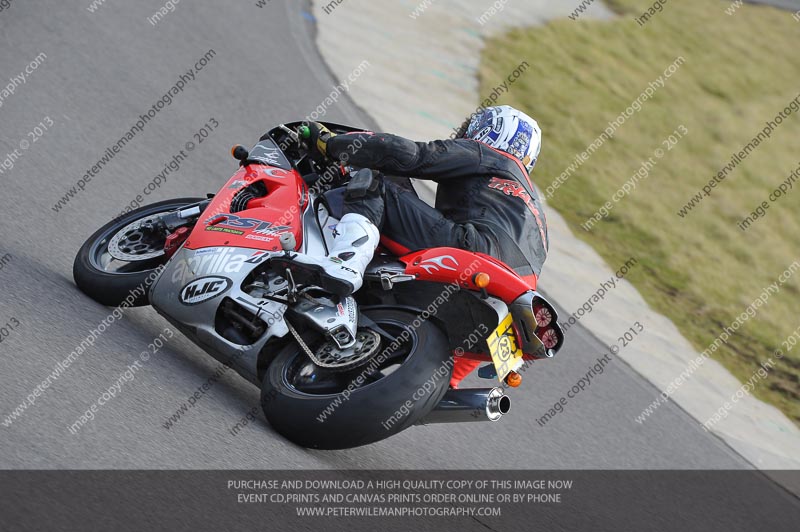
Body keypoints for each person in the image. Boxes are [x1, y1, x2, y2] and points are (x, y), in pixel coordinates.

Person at [280, 105, 548, 296]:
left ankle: (348, 260)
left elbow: (407, 154)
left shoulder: (487, 154)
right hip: (516, 287)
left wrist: (330, 143)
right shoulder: (536, 208)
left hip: (469, 249)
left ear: (486, 131)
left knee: (375, 177)